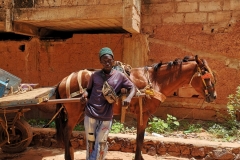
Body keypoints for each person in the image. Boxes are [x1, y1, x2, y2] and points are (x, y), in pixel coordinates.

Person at [80, 47, 136, 160]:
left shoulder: (119, 76)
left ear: (113, 60)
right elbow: (88, 90)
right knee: (90, 143)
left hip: (106, 116)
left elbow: (133, 87)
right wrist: (84, 95)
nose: (107, 63)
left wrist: (129, 98)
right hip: (91, 114)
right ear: (100, 62)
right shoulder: (95, 76)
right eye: (104, 60)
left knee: (101, 144)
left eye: (109, 60)